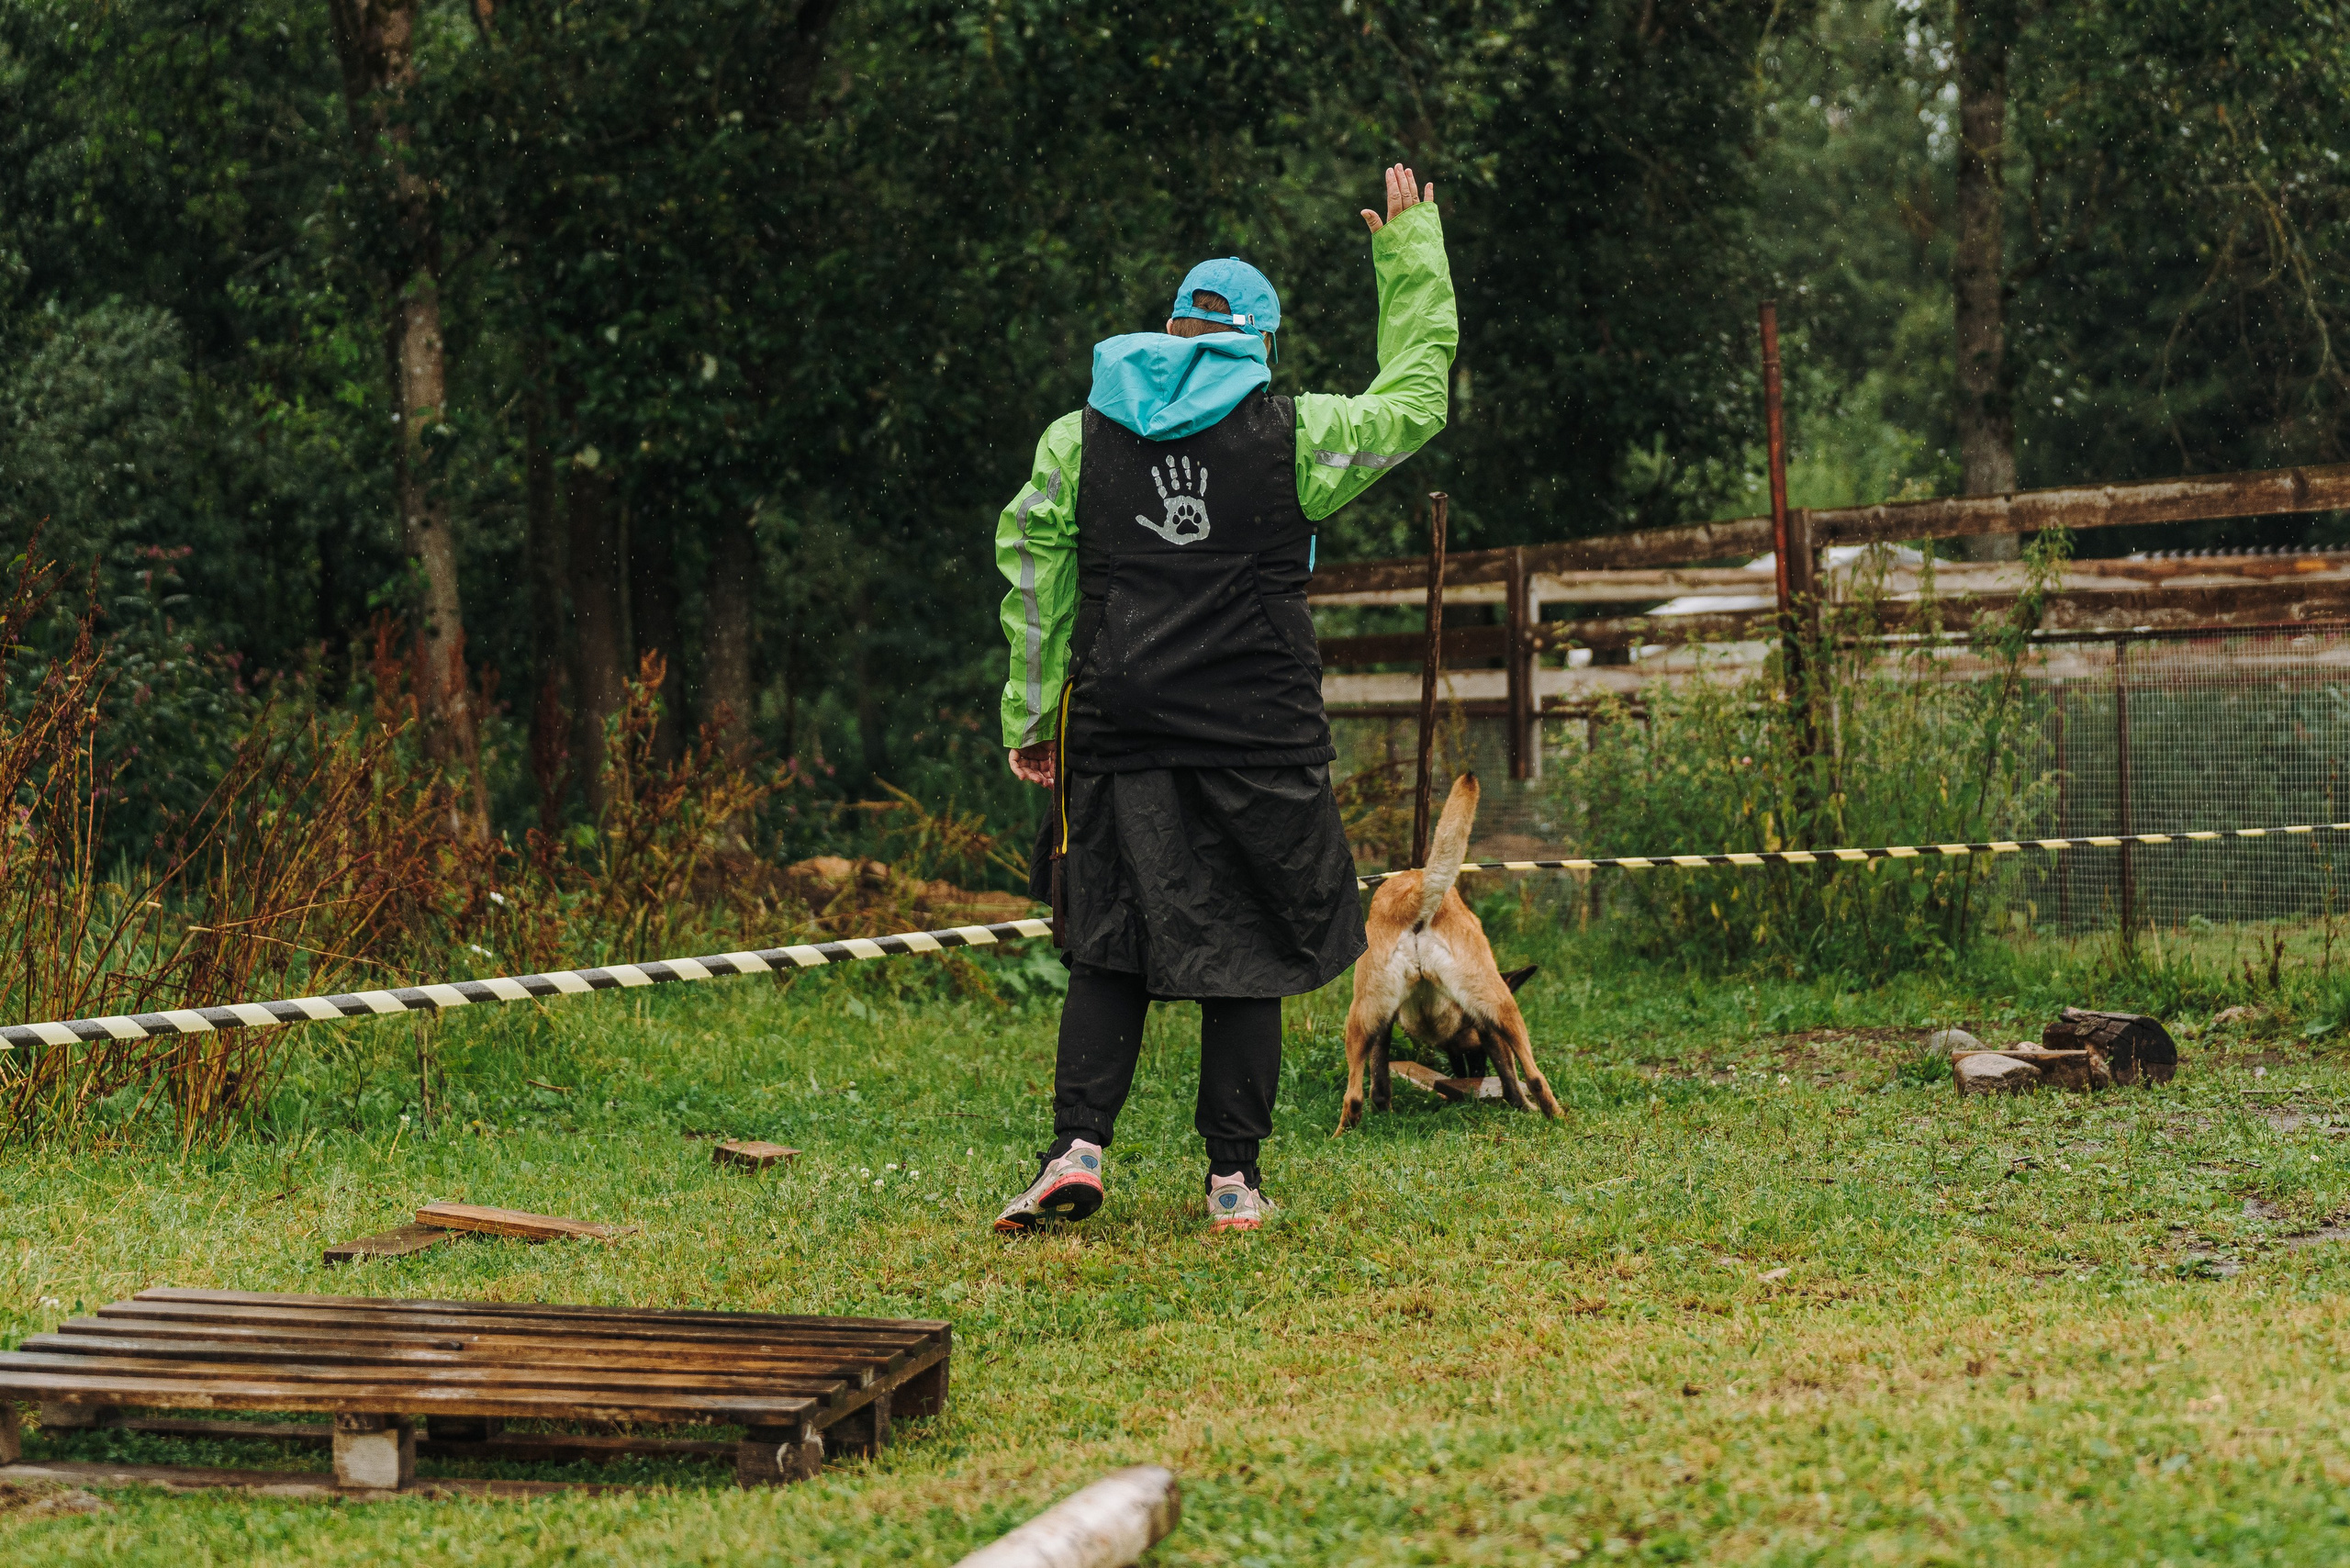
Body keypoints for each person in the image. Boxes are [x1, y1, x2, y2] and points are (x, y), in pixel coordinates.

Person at [990, 164, 1456, 1237]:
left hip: (1120, 724)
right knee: (1245, 946)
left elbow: (1030, 573)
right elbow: (1416, 398)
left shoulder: (1078, 438)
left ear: (1167, 328)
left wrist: (1031, 713)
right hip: (1260, 731)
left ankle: (1077, 1149)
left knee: (1108, 938)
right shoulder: (1294, 433)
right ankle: (1232, 1181)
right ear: (1259, 344)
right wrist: (1410, 253)